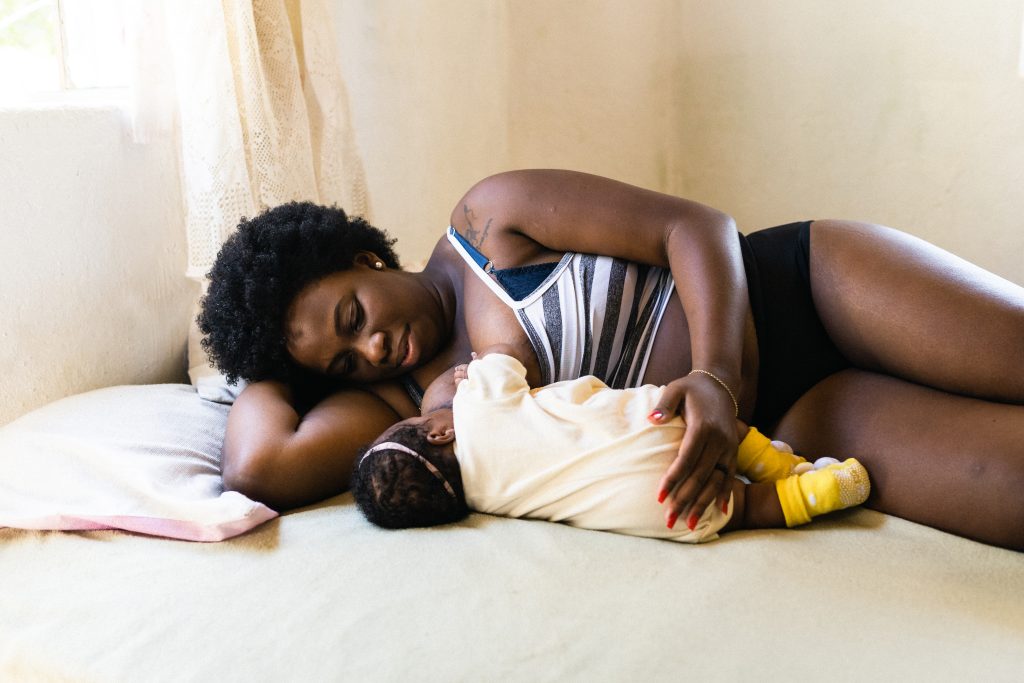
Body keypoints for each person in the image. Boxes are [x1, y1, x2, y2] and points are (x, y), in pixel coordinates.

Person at [197, 169, 1024, 550]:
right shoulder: (406, 407)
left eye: (352, 314)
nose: (371, 346)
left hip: (804, 288)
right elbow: (260, 464)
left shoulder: (488, 222)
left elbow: (696, 227)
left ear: (364, 257)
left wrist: (718, 379)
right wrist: (274, 354)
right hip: (788, 419)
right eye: (342, 361)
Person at [350, 352, 871, 540]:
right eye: (421, 417)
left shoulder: (484, 501)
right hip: (651, 423)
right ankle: (788, 465)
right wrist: (455, 380)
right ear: (440, 431)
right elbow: (505, 358)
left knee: (741, 511)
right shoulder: (476, 405)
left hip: (648, 501)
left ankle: (824, 493)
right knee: (723, 432)